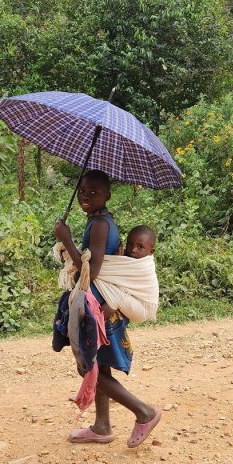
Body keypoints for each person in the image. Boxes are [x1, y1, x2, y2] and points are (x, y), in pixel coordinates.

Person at [53, 170, 162, 447]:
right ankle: (102, 426)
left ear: (107, 195)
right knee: (99, 364)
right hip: (101, 301)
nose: (86, 196)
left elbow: (92, 270)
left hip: (101, 306)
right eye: (82, 191)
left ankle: (144, 412)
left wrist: (66, 239)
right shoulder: (98, 220)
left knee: (88, 367)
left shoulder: (101, 224)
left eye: (94, 192)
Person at [98, 225, 156, 321]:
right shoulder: (131, 259)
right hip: (134, 301)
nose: (133, 250)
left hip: (143, 308)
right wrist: (119, 259)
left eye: (140, 247)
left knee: (115, 296)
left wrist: (117, 261)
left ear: (151, 251)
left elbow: (110, 273)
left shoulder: (144, 266)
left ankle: (93, 323)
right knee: (113, 289)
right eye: (130, 244)